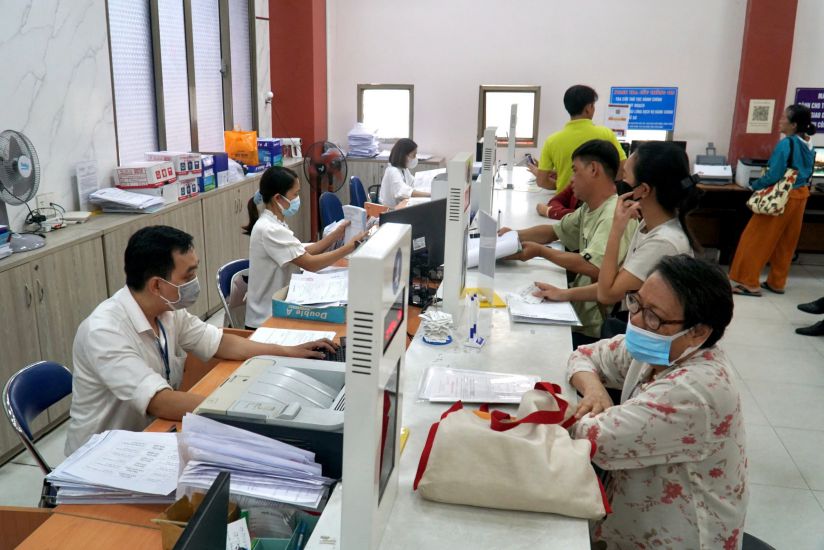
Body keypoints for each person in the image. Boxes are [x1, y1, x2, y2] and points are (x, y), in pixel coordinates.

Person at [66, 225, 337, 454]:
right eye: (188, 275)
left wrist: (287, 351)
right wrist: (243, 411)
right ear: (157, 285)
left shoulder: (167, 311)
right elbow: (160, 401)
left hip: (150, 436)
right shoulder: (105, 331)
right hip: (103, 456)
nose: (194, 282)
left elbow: (222, 343)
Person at [567, 254, 746, 549]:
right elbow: (585, 355)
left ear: (698, 332)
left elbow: (591, 438)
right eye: (636, 303)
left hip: (675, 537)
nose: (636, 321)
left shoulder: (695, 391)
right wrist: (595, 390)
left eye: (654, 315)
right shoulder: (659, 347)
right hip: (632, 518)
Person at [532, 141, 699, 338]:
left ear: (643, 190)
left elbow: (607, 292)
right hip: (633, 328)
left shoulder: (663, 242)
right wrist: (564, 294)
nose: (618, 186)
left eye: (625, 179)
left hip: (646, 338)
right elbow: (616, 283)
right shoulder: (648, 226)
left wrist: (616, 230)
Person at [500, 139, 638, 347]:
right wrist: (514, 235)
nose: (571, 179)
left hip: (591, 326)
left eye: (575, 171)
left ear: (593, 169)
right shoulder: (591, 207)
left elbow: (593, 266)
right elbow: (554, 231)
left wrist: (542, 252)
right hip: (576, 309)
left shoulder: (612, 216)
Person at [244, 166, 364, 329]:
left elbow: (300, 252)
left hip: (279, 306)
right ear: (278, 198)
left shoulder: (274, 222)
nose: (297, 199)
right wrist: (349, 247)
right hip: (265, 319)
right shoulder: (270, 229)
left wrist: (335, 236)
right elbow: (310, 263)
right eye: (295, 194)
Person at [728, 104, 816, 296]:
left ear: (793, 125)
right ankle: (777, 282)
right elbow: (808, 171)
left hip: (781, 198)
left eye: (784, 118)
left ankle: (749, 283)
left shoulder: (786, 143)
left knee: (756, 238)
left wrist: (754, 185)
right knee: (786, 242)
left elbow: (774, 173)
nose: (780, 121)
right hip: (801, 196)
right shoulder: (808, 144)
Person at [529, 85, 626, 192]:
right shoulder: (606, 134)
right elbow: (622, 170)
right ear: (588, 108)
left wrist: (562, 184)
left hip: (564, 204)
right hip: (598, 204)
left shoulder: (552, 140)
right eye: (593, 105)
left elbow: (542, 181)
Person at [378, 138, 431, 207]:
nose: (415, 158)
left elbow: (413, 182)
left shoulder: (403, 169)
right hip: (389, 211)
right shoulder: (392, 171)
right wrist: (430, 194)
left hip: (398, 207)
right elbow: (403, 192)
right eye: (413, 155)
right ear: (403, 155)